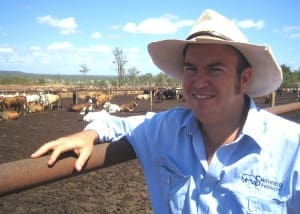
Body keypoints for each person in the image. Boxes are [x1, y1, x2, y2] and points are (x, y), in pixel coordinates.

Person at [31, 9, 300, 213]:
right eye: (190, 68)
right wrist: (87, 134)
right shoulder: (164, 129)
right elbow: (112, 124)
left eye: (215, 69)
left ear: (243, 79)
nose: (199, 81)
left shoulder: (291, 148)